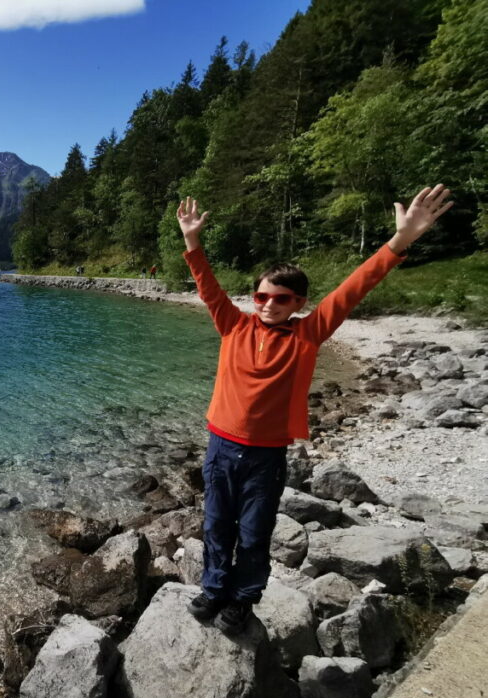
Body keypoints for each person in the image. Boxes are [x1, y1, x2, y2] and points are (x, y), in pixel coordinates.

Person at [176, 185, 453, 635]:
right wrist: (192, 242)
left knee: (253, 535)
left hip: (266, 456)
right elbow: (207, 286)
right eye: (261, 296)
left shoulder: (308, 335)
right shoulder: (232, 324)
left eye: (280, 299)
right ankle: (213, 589)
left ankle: (243, 600)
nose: (268, 305)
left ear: (299, 304)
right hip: (221, 447)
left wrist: (401, 240)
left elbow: (354, 287)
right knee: (215, 526)